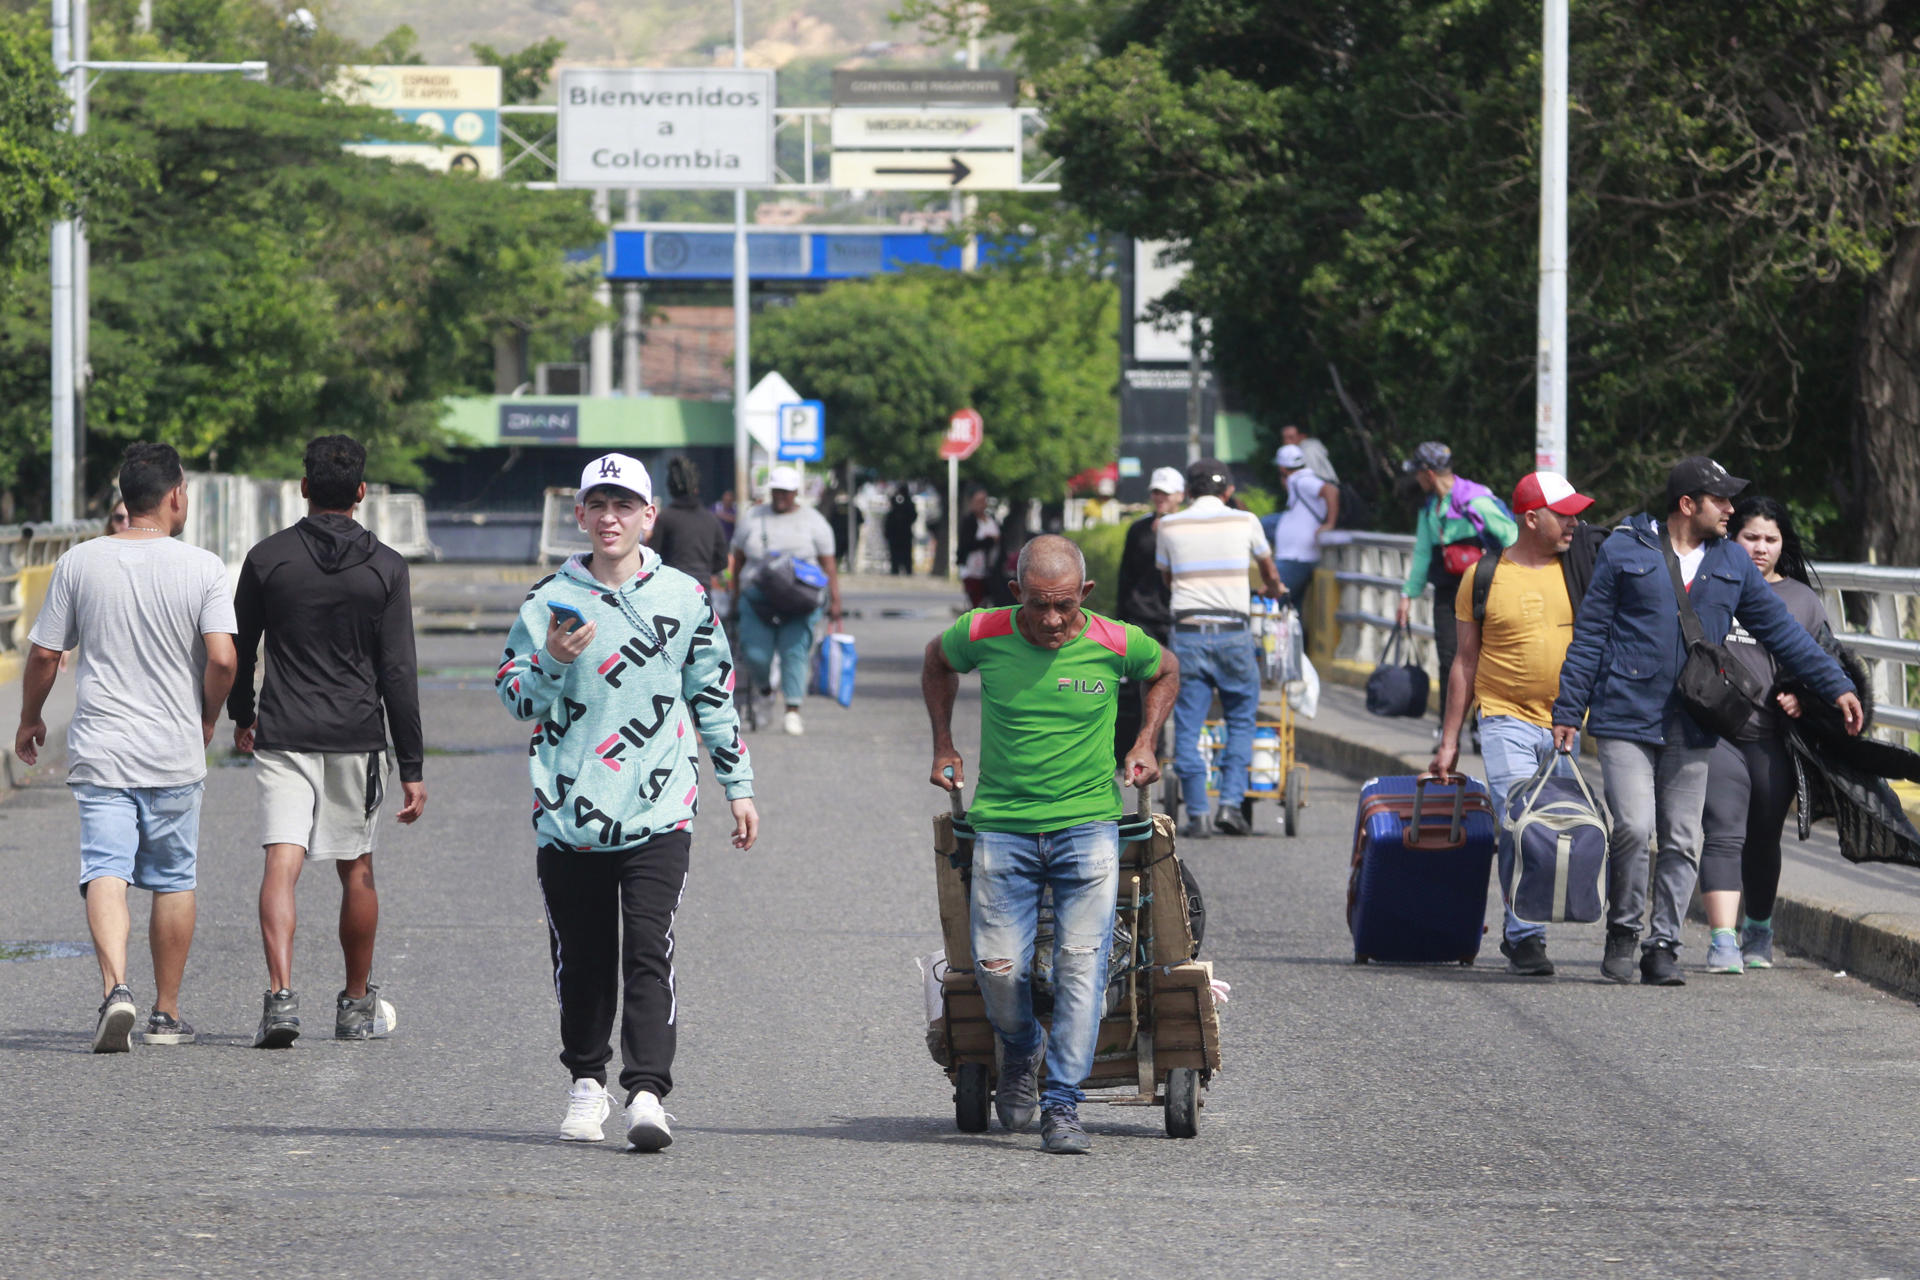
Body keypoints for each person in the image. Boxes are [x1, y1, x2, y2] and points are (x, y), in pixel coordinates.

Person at [496, 452, 757, 1151]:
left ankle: (646, 1092)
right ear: (579, 515)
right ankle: (587, 1083)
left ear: (650, 516)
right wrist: (551, 657)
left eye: (625, 506)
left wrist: (739, 787)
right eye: (597, 505)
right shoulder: (548, 598)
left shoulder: (682, 597)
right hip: (569, 812)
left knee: (648, 947)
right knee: (582, 957)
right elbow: (516, 696)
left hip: (659, 806)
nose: (610, 518)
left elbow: (713, 695)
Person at [1552, 456, 1863, 985]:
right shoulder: (1626, 551)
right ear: (1687, 504)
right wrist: (1568, 709)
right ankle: (1624, 928)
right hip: (1625, 712)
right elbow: (1591, 635)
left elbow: (1784, 634)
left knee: (1681, 837)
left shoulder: (1731, 564)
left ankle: (1664, 943)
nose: (1730, 510)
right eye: (1720, 501)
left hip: (1695, 718)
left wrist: (1835, 684)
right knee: (1632, 826)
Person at [921, 534, 1178, 1155]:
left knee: (1080, 967)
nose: (1053, 619)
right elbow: (936, 661)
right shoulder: (982, 632)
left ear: (1085, 595)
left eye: (1065, 604)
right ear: (1017, 596)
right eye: (1039, 605)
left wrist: (1146, 740)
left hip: (1088, 826)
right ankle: (1019, 1048)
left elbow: (1166, 668)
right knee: (996, 965)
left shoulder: (1115, 641)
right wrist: (943, 743)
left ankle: (1062, 1103)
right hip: (1003, 827)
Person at [14, 443, 237, 1051]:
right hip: (173, 747)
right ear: (174, 496)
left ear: (124, 499)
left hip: (103, 747)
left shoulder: (80, 563)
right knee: (172, 878)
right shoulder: (204, 568)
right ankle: (166, 1014)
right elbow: (222, 658)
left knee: (105, 867)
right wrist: (208, 716)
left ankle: (117, 991)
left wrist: (30, 718)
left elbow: (43, 654)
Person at [229, 435, 428, 1049]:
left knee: (280, 864)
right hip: (357, 737)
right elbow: (397, 670)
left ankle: (281, 999)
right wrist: (413, 764)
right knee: (357, 868)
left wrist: (243, 714)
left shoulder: (268, 559)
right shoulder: (386, 567)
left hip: (284, 729)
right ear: (362, 493)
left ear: (304, 487)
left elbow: (240, 649)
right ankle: (353, 1004)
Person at [1431, 471, 1594, 977]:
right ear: (1531, 518)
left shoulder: (1581, 570)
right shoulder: (1482, 577)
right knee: (1520, 820)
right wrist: (1450, 739)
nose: (1574, 522)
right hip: (1503, 718)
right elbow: (1464, 662)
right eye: (1563, 514)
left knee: (1551, 828)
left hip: (1566, 724)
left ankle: (1521, 924)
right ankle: (1525, 935)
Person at [1698, 496, 1834, 975]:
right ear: (1731, 539)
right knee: (1723, 830)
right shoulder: (1712, 584)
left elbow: (1829, 668)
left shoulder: (1802, 600)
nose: (1759, 548)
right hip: (1717, 733)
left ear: (1783, 544)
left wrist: (1803, 696)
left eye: (1770, 539)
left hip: (1771, 738)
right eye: (1749, 537)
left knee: (1762, 839)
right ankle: (1721, 940)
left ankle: (1758, 928)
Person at [1156, 458, 1283, 838]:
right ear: (1228, 491)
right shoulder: (1246, 521)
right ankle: (1229, 804)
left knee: (1189, 725)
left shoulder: (1169, 524)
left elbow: (1167, 577)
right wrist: (1273, 589)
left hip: (1188, 632)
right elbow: (1269, 571)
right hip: (1234, 632)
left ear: (1189, 491)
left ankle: (1197, 814)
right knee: (1242, 720)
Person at [1396, 442, 1518, 735]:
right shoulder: (1431, 509)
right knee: (1449, 658)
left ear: (1428, 473)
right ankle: (1446, 729)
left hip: (1483, 591)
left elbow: (1511, 535)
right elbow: (1424, 553)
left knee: (1485, 657)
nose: (1415, 479)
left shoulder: (1474, 501)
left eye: (1417, 473)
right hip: (1448, 593)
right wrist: (1407, 596)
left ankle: (1481, 726)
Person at [728, 465, 840, 737]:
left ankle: (792, 709)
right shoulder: (753, 518)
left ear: (796, 493)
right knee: (755, 653)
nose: (781, 497)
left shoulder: (814, 521)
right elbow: (738, 559)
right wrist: (734, 595)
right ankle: (765, 691)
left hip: (800, 600)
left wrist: (836, 602)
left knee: (795, 652)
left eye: (786, 492)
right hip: (758, 598)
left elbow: (828, 565)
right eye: (776, 491)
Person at [1113, 467, 1184, 761]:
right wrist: (1120, 621)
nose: (1160, 498)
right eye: (1156, 492)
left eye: (1166, 493)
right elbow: (1125, 576)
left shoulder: (1187, 528)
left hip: (1177, 618)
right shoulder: (1138, 529)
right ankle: (1134, 747)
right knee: (1137, 687)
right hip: (1140, 617)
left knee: (1175, 684)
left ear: (1180, 496)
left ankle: (1169, 750)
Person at [1262, 443, 1340, 608]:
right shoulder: (1299, 481)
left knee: (1268, 604)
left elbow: (1330, 490)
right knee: (1290, 610)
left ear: (1282, 468)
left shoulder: (1302, 480)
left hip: (1296, 558)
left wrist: (1329, 524)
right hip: (1297, 557)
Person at [648, 456, 730, 596]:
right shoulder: (711, 519)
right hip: (702, 592)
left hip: (671, 591)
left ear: (670, 488)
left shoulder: (665, 518)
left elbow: (652, 557)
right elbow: (722, 562)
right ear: (695, 488)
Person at [958, 489, 999, 609]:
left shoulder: (991, 519)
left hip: (990, 565)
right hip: (972, 565)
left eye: (983, 501)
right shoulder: (969, 520)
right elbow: (967, 543)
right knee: (976, 596)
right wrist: (989, 541)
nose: (981, 504)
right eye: (978, 501)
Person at [884, 484, 917, 576]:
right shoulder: (894, 502)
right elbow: (889, 517)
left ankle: (907, 570)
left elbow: (913, 516)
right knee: (895, 554)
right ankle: (895, 570)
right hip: (895, 533)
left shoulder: (908, 504)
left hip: (904, 533)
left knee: (906, 554)